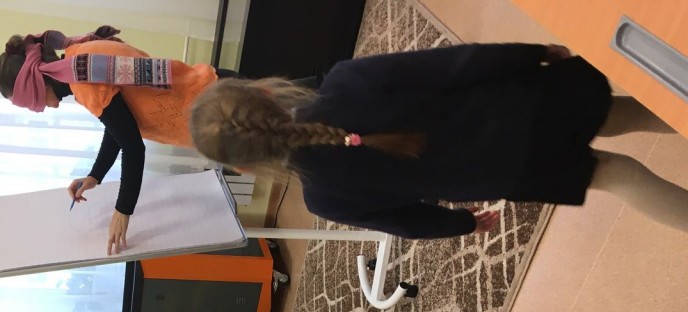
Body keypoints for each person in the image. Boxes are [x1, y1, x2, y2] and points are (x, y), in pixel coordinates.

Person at [188, 43, 688, 239]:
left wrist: (463, 222)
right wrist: (532, 53)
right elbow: (454, 66)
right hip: (522, 106)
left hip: (508, 171)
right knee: (621, 113)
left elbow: (407, 222)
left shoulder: (325, 199)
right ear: (265, 92)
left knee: (620, 176)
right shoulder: (346, 81)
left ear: (251, 166)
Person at [0, 27, 219, 255]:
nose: (37, 110)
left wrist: (122, 211)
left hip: (214, 113)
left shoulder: (82, 82)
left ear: (36, 84)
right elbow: (119, 127)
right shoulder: (79, 62)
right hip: (212, 96)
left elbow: (133, 147)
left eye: (28, 103)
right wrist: (95, 175)